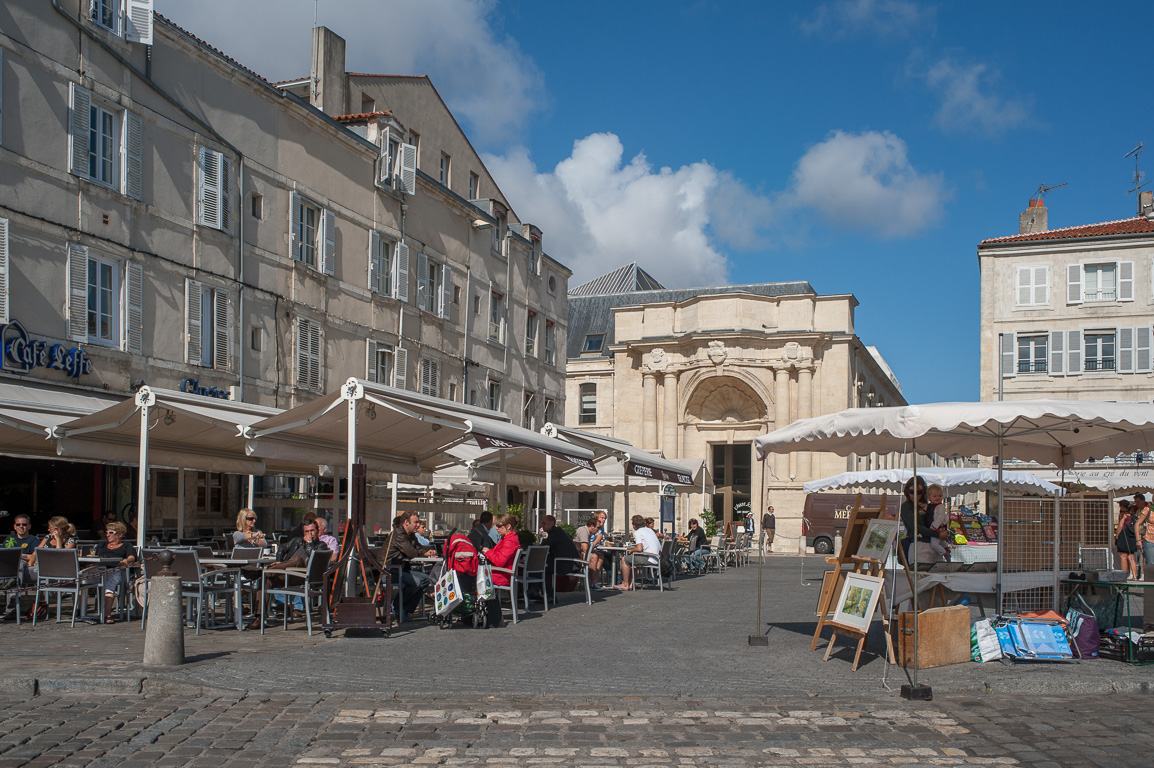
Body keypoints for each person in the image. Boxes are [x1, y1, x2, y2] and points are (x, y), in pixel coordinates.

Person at [247, 518, 330, 628]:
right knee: (265, 580)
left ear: (317, 531)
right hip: (287, 574)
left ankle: (265, 571)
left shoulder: (321, 545)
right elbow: (282, 547)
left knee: (297, 559)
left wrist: (309, 542)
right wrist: (280, 561)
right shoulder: (297, 541)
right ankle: (259, 618)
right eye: (306, 531)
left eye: (312, 531)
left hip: (304, 576)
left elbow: (314, 559)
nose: (309, 534)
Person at [383, 512, 436, 619]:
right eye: (416, 522)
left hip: (400, 569)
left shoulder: (410, 534)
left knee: (425, 579)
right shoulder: (399, 534)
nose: (418, 525)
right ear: (406, 523)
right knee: (416, 582)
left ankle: (406, 609)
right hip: (388, 571)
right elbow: (411, 552)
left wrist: (429, 551)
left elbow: (419, 547)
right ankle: (397, 606)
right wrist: (425, 553)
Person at [898, 476, 946, 566]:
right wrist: (937, 534)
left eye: (919, 492)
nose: (915, 495)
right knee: (921, 576)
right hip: (919, 544)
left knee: (938, 575)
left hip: (933, 544)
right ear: (907, 492)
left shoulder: (927, 506)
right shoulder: (906, 506)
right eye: (912, 492)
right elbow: (916, 527)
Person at [94, 522, 136, 623]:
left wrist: (125, 561)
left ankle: (107, 615)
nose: (107, 535)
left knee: (110, 584)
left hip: (115, 570)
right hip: (99, 570)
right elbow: (94, 557)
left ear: (120, 534)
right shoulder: (102, 545)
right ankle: (80, 612)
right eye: (107, 532)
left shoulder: (126, 546)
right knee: (81, 579)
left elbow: (132, 557)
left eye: (111, 532)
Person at [2, 514, 40, 620]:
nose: (21, 527)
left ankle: (12, 606)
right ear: (15, 526)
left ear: (29, 526)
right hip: (7, 565)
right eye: (18, 524)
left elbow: (35, 556)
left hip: (22, 565)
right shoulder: (10, 538)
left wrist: (19, 555)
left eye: (24, 524)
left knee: (18, 563)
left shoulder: (34, 540)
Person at [539, 514, 577, 598]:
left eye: (544, 523)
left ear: (551, 523)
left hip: (565, 564)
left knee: (539, 568)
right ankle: (540, 592)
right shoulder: (558, 532)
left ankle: (549, 594)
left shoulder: (555, 533)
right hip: (567, 562)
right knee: (540, 566)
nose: (542, 525)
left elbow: (544, 547)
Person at [620, 514, 661, 591]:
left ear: (634, 525)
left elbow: (639, 548)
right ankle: (631, 583)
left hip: (650, 558)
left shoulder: (638, 532)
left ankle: (625, 584)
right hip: (657, 557)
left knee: (624, 559)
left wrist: (631, 551)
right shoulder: (650, 530)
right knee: (633, 561)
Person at [481, 513, 521, 588]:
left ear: (508, 526)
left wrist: (488, 552)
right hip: (500, 573)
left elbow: (500, 562)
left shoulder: (510, 541)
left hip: (502, 576)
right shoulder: (508, 538)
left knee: (473, 573)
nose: (496, 528)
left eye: (499, 526)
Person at [925, 485, 952, 561]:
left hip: (936, 527)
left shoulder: (940, 507)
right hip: (935, 526)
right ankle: (946, 548)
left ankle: (945, 553)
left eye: (939, 496)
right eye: (935, 496)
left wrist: (934, 527)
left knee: (934, 544)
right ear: (929, 497)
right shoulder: (930, 506)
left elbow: (940, 518)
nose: (937, 498)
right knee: (941, 541)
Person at [1114, 499, 1139, 580]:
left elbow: (1120, 526)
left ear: (1121, 506)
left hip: (1124, 537)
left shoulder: (1123, 514)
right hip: (1131, 536)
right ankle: (1134, 575)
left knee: (1123, 557)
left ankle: (1123, 576)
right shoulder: (1132, 514)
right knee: (1131, 556)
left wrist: (1117, 536)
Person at [1135, 495, 1154, 580]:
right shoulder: (1148, 509)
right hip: (1149, 540)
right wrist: (1138, 540)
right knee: (1150, 565)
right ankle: (1151, 589)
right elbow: (1137, 524)